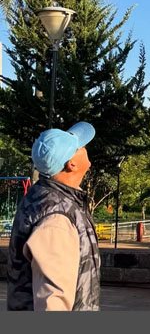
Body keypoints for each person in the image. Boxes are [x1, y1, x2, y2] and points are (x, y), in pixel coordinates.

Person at [7, 122, 100, 310]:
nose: (84, 148)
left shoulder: (45, 198)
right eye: (79, 147)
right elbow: (52, 299)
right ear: (71, 164)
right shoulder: (57, 217)